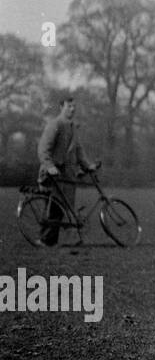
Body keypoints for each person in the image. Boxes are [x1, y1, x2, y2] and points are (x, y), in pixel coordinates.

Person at [36, 93, 99, 246]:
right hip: (53, 174)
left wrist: (88, 165)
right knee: (54, 207)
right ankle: (46, 240)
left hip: (67, 175)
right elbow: (43, 149)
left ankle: (57, 240)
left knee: (64, 208)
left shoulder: (73, 128)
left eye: (74, 107)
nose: (72, 109)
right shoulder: (55, 124)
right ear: (61, 107)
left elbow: (79, 151)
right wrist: (50, 167)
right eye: (68, 106)